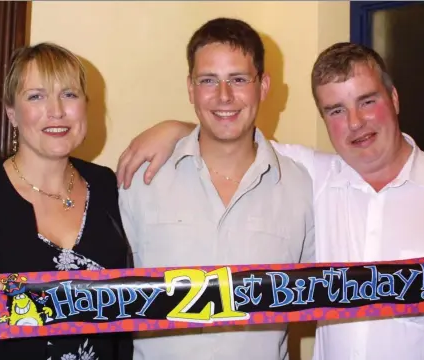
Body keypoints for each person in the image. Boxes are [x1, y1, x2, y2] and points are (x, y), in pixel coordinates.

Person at [116, 41, 424, 360]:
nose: (355, 122)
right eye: (336, 110)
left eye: (367, 102)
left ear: (394, 98)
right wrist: (176, 128)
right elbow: (231, 134)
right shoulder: (311, 176)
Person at [118, 18, 315, 360]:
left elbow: (318, 294)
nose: (224, 96)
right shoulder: (140, 180)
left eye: (238, 79)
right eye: (208, 80)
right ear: (191, 88)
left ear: (263, 86)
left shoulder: (301, 188)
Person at [0, 43, 133, 360]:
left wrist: (175, 130)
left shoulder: (111, 186)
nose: (56, 110)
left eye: (69, 94)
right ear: (11, 113)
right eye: (36, 96)